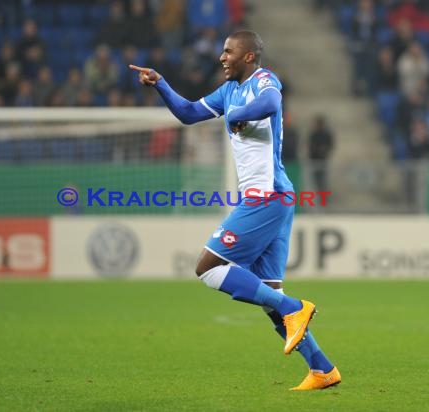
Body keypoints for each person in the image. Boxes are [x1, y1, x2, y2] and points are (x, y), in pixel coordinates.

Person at [129, 30, 340, 390]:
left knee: (207, 268)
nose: (221, 57)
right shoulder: (228, 91)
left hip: (266, 196)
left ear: (248, 55)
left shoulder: (263, 79)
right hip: (273, 198)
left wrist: (236, 115)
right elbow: (189, 113)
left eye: (228, 51)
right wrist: (161, 84)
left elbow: (271, 103)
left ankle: (295, 307)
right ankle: (322, 368)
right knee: (268, 296)